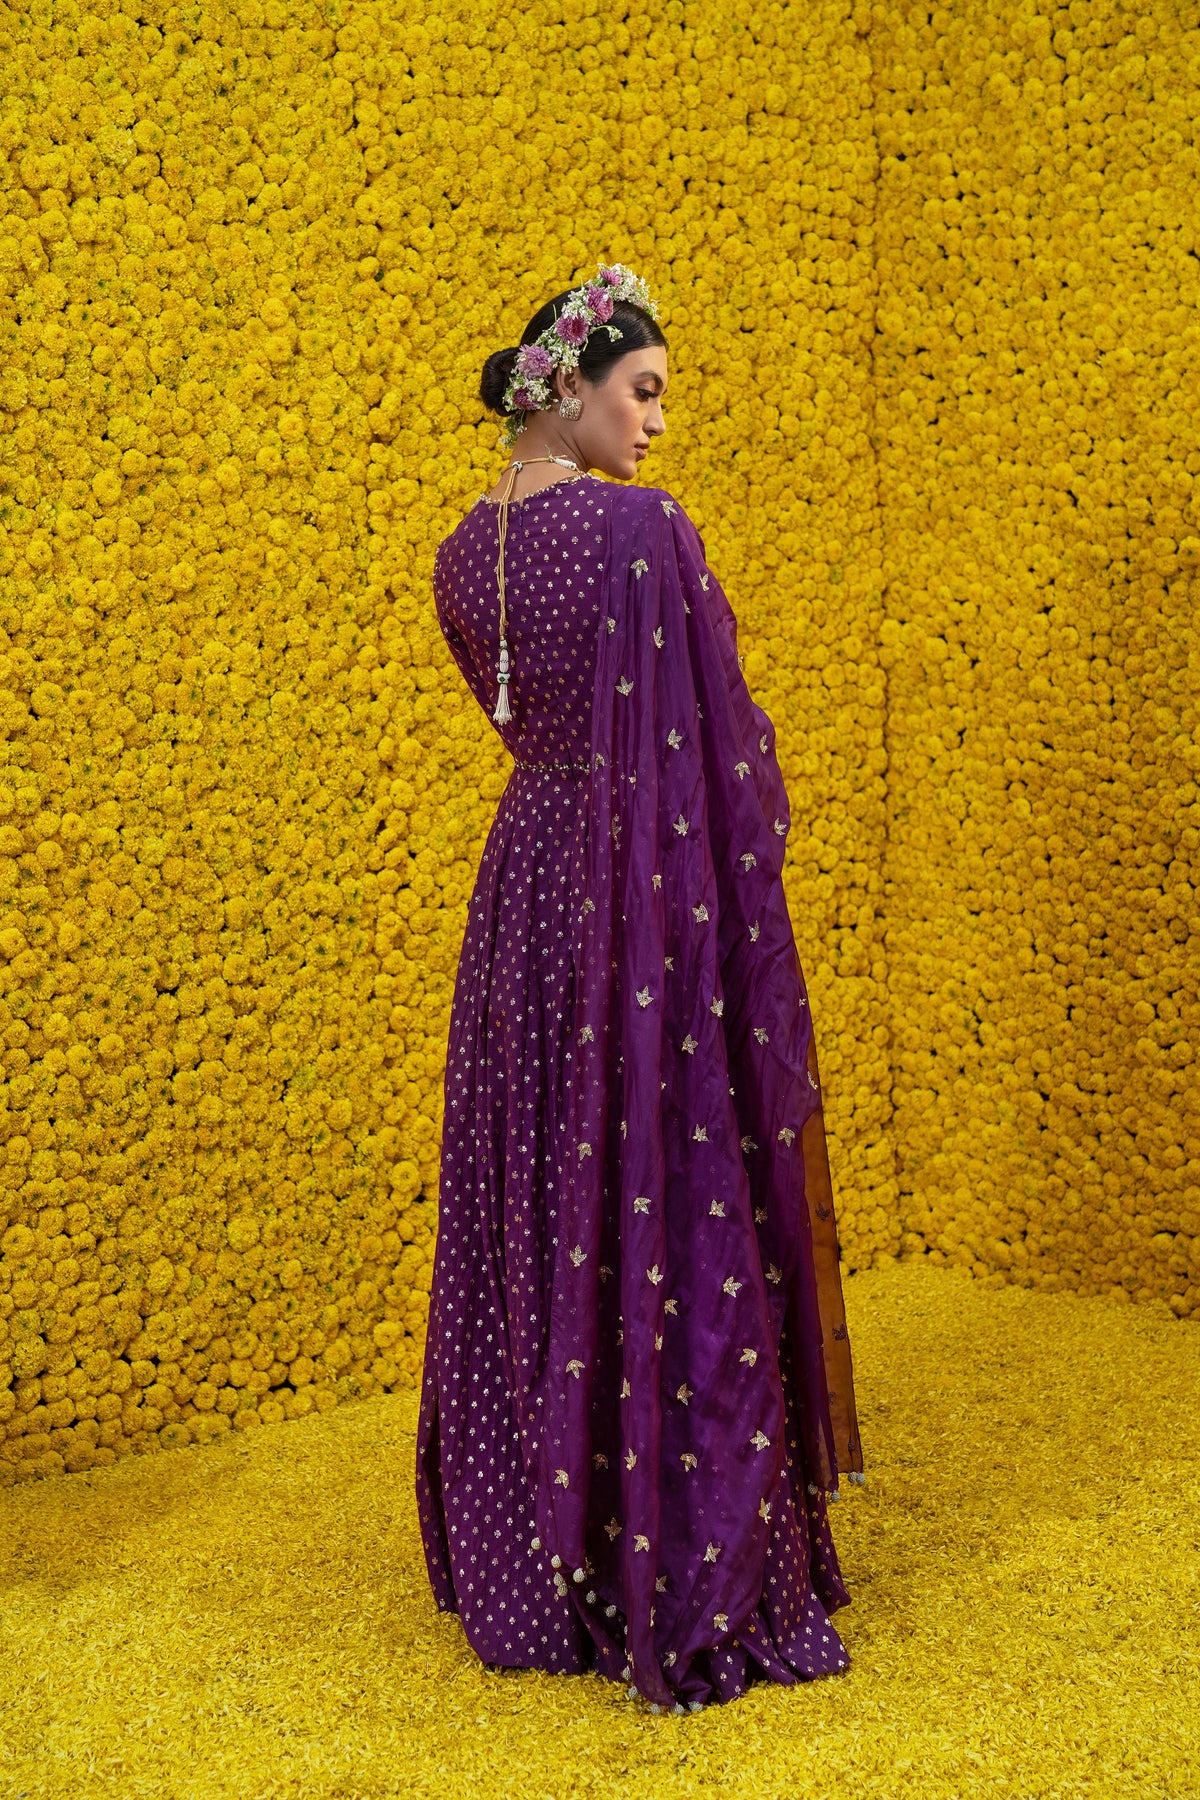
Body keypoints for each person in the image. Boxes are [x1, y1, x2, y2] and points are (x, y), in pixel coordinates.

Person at [415, 261, 865, 1714]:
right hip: (636, 891)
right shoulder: (638, 531)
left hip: (523, 895)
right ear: (571, 386)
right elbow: (715, 745)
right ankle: (679, 1556)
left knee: (545, 1177)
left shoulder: (458, 555)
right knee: (665, 1181)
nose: (659, 423)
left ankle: (533, 1554)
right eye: (645, 390)